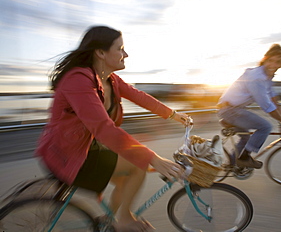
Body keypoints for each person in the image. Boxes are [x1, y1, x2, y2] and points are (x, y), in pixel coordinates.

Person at [35, 25, 189, 232]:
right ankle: (123, 220)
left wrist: (173, 114)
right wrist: (152, 157)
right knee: (137, 166)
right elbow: (102, 128)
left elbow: (138, 96)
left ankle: (109, 222)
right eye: (120, 48)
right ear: (100, 52)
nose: (126, 54)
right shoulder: (77, 80)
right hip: (66, 154)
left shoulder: (110, 79)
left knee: (130, 173)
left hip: (85, 148)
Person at [216, 44, 281, 170]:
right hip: (230, 110)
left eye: (278, 62)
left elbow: (273, 98)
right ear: (265, 60)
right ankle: (244, 159)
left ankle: (231, 164)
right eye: (271, 61)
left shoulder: (267, 77)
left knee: (246, 137)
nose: (274, 65)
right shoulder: (256, 78)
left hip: (232, 110)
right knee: (265, 127)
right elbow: (266, 105)